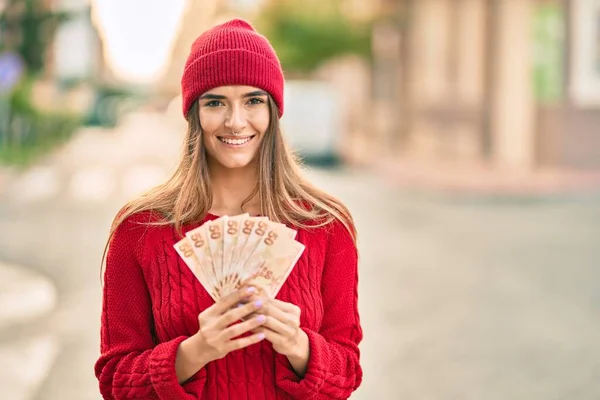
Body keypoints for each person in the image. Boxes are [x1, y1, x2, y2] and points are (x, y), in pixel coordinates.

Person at [94, 18, 362, 400]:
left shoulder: (325, 224)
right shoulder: (140, 229)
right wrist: (196, 351)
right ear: (193, 114)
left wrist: (299, 346)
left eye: (253, 100)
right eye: (215, 102)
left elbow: (347, 371)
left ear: (272, 111)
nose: (236, 121)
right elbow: (116, 381)